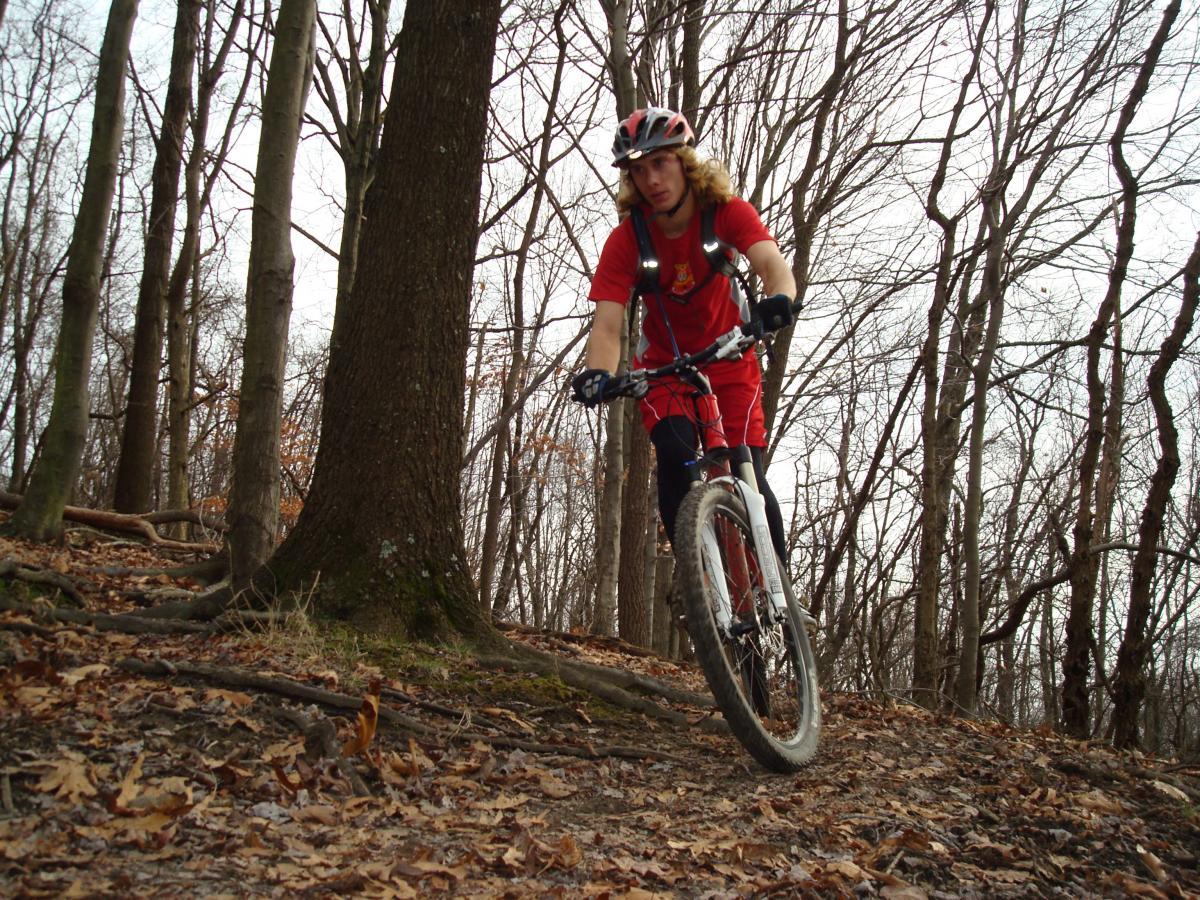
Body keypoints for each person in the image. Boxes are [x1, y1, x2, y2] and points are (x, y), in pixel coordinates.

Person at [571, 106, 797, 563]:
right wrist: (597, 372)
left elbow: (774, 267)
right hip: (664, 369)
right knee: (675, 456)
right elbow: (609, 324)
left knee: (745, 464)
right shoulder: (627, 240)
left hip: (730, 358)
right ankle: (698, 581)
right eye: (638, 171)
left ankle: (781, 590)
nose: (651, 179)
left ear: (684, 161)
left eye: (660, 163)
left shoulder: (725, 213)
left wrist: (777, 301)